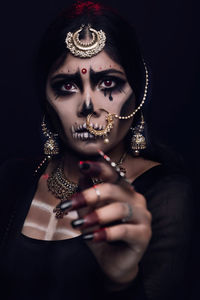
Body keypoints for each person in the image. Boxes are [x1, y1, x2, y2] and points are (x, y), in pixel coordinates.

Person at [0, 1, 194, 299]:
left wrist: (122, 281)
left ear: (138, 91)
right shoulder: (11, 179)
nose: (88, 105)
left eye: (108, 82)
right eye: (67, 86)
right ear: (46, 98)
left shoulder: (169, 196)